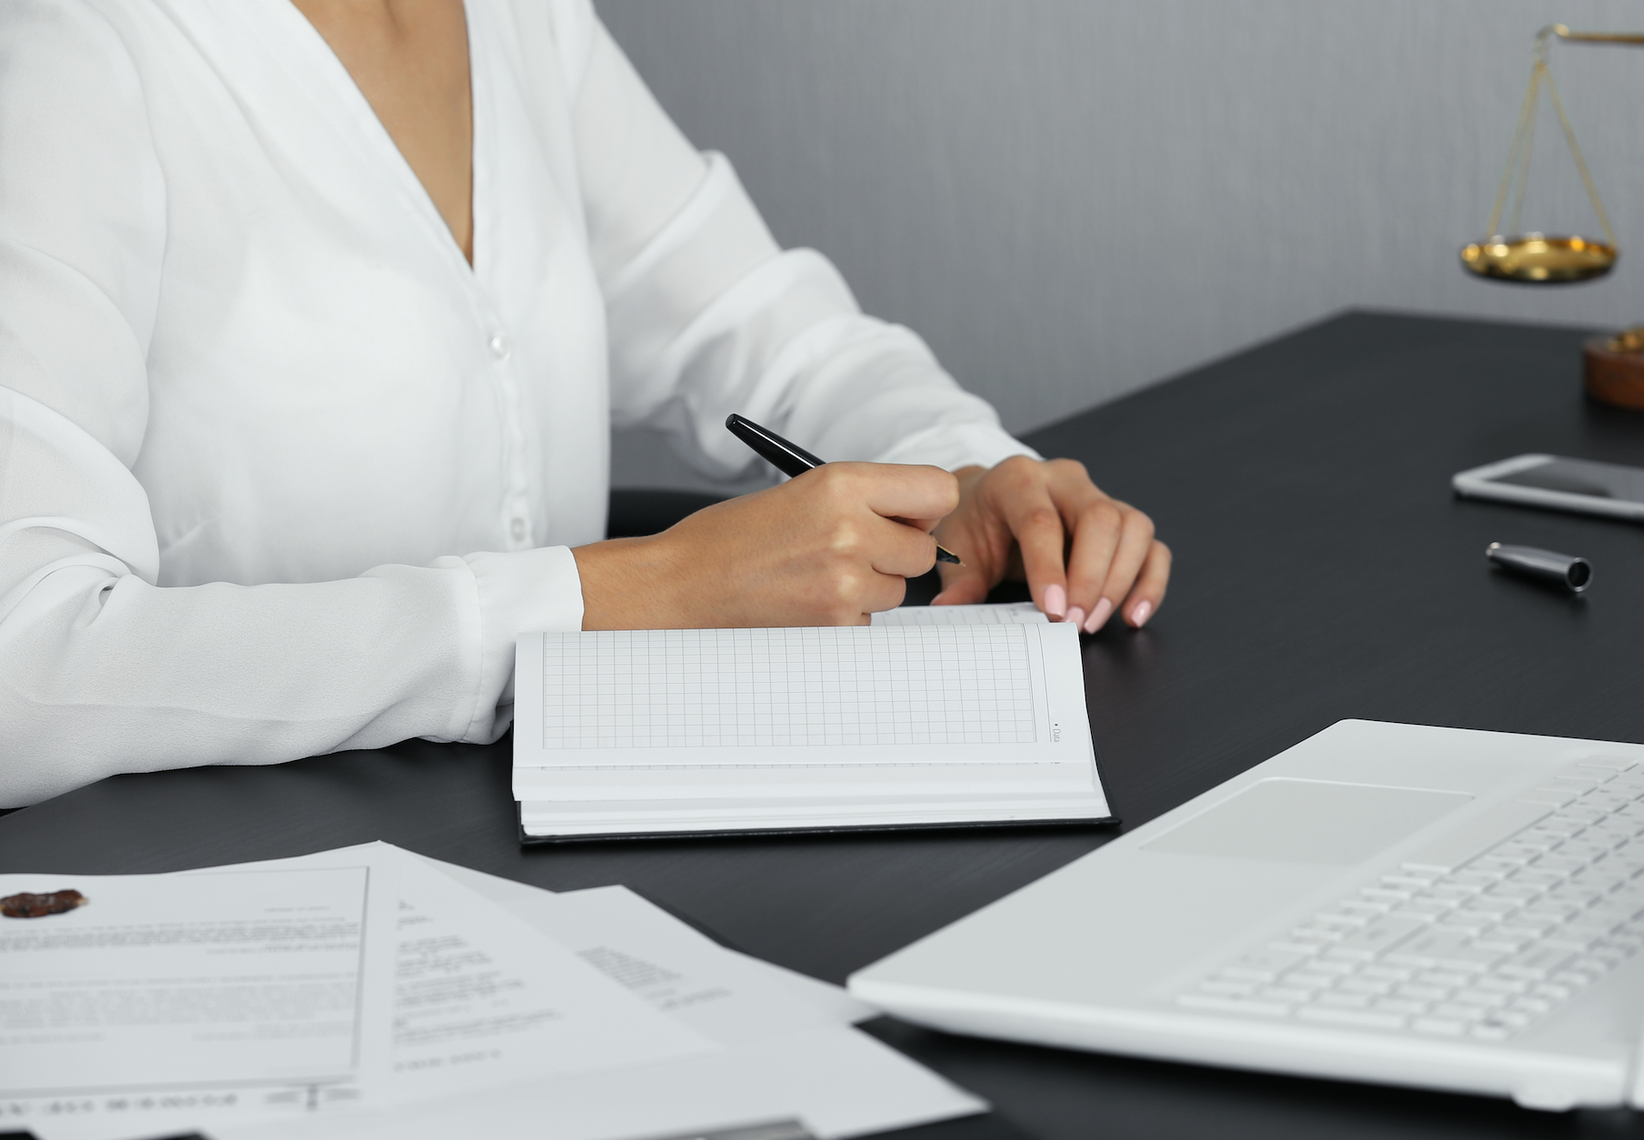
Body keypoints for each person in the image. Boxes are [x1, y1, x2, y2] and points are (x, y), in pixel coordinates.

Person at [0, 0, 1170, 808]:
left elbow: (762, 329)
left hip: (536, 860)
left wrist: (965, 471)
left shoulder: (517, 16)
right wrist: (613, 598)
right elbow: (23, 669)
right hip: (229, 897)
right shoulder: (68, 44)